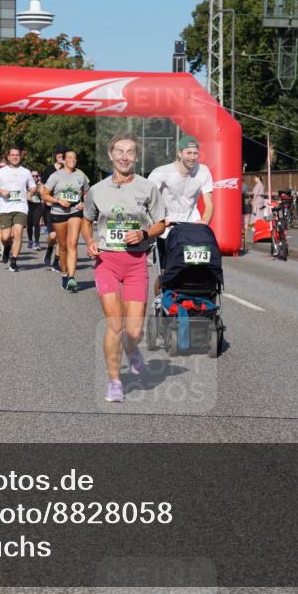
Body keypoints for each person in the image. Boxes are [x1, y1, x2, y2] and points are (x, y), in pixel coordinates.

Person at [82, 133, 165, 404]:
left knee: (134, 331)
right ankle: (115, 382)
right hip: (107, 261)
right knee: (114, 324)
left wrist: (143, 233)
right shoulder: (97, 189)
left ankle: (132, 349)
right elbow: (87, 219)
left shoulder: (148, 188)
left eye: (130, 152)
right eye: (119, 151)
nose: (124, 156)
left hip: (136, 262)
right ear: (110, 155)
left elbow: (161, 223)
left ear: (136, 157)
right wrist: (90, 240)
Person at [147, 135, 214, 270]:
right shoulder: (162, 172)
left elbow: (209, 203)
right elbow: (148, 200)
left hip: (192, 226)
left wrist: (204, 222)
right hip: (167, 227)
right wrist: (157, 220)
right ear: (179, 153)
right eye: (189, 153)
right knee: (167, 273)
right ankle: (162, 289)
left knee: (193, 269)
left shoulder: (203, 171)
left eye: (195, 153)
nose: (193, 157)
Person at [41, 149, 88, 292]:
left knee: (72, 244)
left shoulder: (81, 175)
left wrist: (83, 203)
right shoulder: (56, 176)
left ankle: (72, 277)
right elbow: (44, 195)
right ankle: (64, 275)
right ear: (64, 160)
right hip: (58, 212)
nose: (73, 160)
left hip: (75, 212)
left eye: (75, 157)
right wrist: (58, 201)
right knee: (63, 246)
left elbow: (87, 193)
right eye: (69, 157)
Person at [0, 146, 35, 273]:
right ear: (8, 157)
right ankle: (7, 247)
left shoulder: (26, 172)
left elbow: (33, 186)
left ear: (20, 157)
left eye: (17, 155)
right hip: (5, 207)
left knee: (18, 233)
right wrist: (1, 191)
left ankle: (14, 261)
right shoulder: (2, 171)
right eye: (12, 155)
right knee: (5, 237)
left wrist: (30, 193)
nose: (15, 157)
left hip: (21, 206)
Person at [42, 148, 66, 269]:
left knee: (61, 236)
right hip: (50, 206)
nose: (60, 156)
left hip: (65, 208)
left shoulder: (69, 170)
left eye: (63, 155)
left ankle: (56, 261)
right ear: (55, 156)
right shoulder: (49, 170)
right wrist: (46, 199)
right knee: (53, 236)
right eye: (59, 155)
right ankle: (49, 249)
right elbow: (42, 186)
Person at [26, 169, 45, 250]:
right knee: (29, 224)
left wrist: (39, 188)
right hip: (28, 206)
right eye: (33, 176)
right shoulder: (26, 184)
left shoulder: (40, 185)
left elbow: (43, 195)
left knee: (36, 224)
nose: (34, 177)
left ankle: (36, 242)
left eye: (36, 176)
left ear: (38, 177)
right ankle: (30, 241)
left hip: (37, 205)